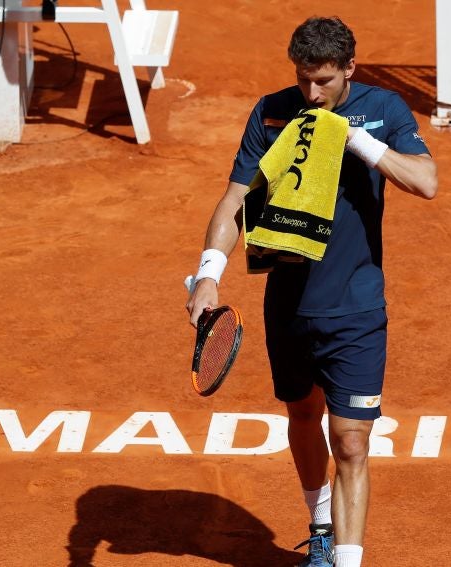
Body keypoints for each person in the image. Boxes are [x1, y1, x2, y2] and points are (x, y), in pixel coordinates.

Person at [186, 16, 437, 567]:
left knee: (350, 440)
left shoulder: (384, 109)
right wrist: (208, 273)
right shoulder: (272, 112)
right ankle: (321, 525)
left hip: (356, 307)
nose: (312, 93)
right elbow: (235, 199)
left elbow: (425, 181)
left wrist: (358, 141)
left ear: (349, 68)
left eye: (323, 80)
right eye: (303, 79)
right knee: (303, 415)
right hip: (289, 305)